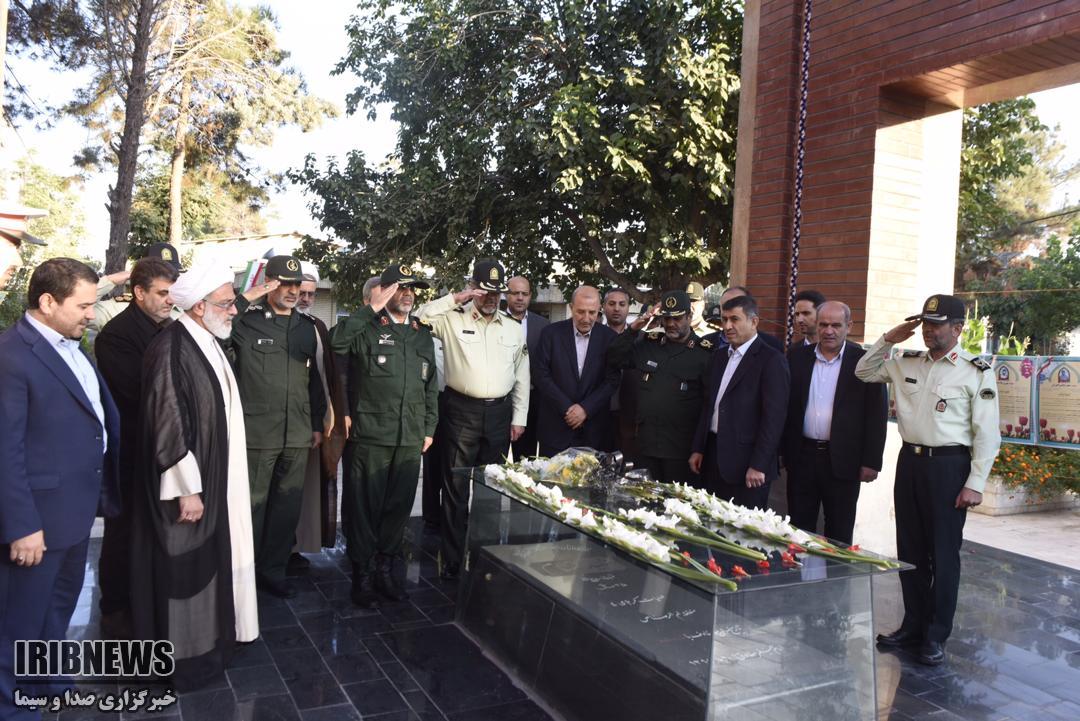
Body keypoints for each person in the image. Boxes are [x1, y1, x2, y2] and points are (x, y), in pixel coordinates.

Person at [0, 259, 120, 719]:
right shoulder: (11, 356)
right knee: (18, 623)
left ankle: (48, 682)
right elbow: (5, 451)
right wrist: (22, 526)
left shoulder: (70, 343)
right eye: (83, 306)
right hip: (36, 523)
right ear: (48, 302)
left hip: (73, 512)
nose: (91, 314)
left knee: (57, 609)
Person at [131, 264, 258, 691]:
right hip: (191, 489)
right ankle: (186, 660)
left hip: (217, 478)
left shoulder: (205, 340)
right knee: (186, 567)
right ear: (200, 307)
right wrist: (187, 489)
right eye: (227, 303)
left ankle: (217, 641)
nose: (235, 310)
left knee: (214, 561)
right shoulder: (171, 346)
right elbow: (167, 419)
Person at [855, 294, 1000, 666]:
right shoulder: (906, 361)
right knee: (911, 550)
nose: (929, 331)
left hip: (949, 467)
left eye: (937, 325)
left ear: (958, 328)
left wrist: (976, 482)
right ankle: (912, 626)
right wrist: (889, 338)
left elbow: (987, 433)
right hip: (910, 463)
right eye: (926, 324)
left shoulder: (976, 371)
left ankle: (935, 635)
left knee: (944, 554)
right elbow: (864, 371)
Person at [332, 264, 438, 606]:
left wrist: (429, 427)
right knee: (364, 507)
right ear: (385, 291)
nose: (407, 294)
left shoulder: (421, 333)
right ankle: (361, 575)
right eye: (400, 288)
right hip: (371, 434)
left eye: (411, 289)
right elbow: (337, 342)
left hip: (409, 435)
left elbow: (430, 385)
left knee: (397, 508)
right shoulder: (365, 327)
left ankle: (385, 570)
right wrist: (372, 308)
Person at [418, 259, 529, 578]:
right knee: (455, 488)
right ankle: (453, 560)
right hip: (460, 411)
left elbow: (522, 374)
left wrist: (519, 416)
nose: (492, 298)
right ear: (473, 288)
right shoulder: (452, 319)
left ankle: (483, 557)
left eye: (497, 292)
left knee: (490, 490)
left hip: (499, 414)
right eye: (485, 291)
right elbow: (419, 316)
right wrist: (457, 298)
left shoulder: (512, 327)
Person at [231, 254, 326, 598]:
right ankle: (244, 571)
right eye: (284, 284)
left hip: (297, 431)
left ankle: (273, 570)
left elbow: (313, 381)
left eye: (296, 284)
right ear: (268, 284)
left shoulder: (305, 327)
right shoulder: (246, 322)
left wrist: (316, 423)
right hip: (258, 432)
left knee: (287, 507)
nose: (292, 290)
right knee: (252, 507)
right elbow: (215, 325)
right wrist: (248, 297)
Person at [94, 257, 179, 639]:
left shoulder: (171, 329)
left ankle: (147, 600)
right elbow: (140, 394)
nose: (169, 300)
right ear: (139, 292)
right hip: (131, 454)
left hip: (162, 451)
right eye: (162, 293)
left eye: (173, 293)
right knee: (123, 535)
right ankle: (114, 611)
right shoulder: (116, 335)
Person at [781, 301, 887, 544]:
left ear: (849, 326)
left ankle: (836, 571)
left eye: (836, 325)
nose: (829, 331)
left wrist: (871, 462)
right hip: (802, 456)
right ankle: (799, 568)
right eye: (823, 325)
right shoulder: (797, 357)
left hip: (843, 461)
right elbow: (787, 407)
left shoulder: (863, 361)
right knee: (799, 529)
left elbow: (876, 415)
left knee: (839, 530)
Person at [690, 294, 789, 509]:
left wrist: (759, 464)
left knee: (742, 526)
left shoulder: (771, 360)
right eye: (724, 319)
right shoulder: (719, 357)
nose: (727, 326)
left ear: (754, 322)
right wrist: (699, 448)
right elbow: (709, 406)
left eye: (734, 319)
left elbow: (773, 419)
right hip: (713, 456)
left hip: (748, 465)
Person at [608, 290, 714, 484]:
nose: (671, 324)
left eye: (677, 318)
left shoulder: (705, 354)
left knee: (676, 501)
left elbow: (709, 407)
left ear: (689, 317)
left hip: (681, 451)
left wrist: (699, 448)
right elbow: (614, 358)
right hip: (646, 446)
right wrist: (633, 329)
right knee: (644, 499)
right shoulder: (650, 344)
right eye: (666, 318)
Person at [291, 270, 348, 570]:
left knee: (308, 491)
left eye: (311, 294)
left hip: (315, 422)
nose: (305, 299)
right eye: (301, 292)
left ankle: (297, 548)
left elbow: (327, 376)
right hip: (285, 423)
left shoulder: (318, 326)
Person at [533, 286, 618, 455]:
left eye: (592, 312)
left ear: (599, 309)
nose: (586, 318)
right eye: (580, 312)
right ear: (571, 307)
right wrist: (568, 408)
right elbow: (540, 375)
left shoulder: (609, 338)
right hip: (555, 429)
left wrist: (585, 409)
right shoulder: (550, 334)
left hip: (594, 431)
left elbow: (612, 380)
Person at [90, 243, 184, 333]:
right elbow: (81, 311)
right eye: (160, 274)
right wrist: (110, 280)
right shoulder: (115, 309)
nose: (169, 280)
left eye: (173, 275)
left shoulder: (183, 309)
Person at [505, 276, 549, 460]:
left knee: (526, 459)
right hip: (500, 399)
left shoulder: (543, 326)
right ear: (506, 295)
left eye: (524, 293)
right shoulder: (495, 321)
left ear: (530, 296)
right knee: (495, 458)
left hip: (533, 399)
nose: (520, 298)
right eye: (515, 293)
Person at [602, 288, 637, 457]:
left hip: (629, 419)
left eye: (622, 304)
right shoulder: (594, 335)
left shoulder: (640, 339)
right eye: (612, 304)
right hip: (599, 414)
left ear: (628, 307)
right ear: (603, 306)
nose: (616, 308)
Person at [702, 286, 785, 353]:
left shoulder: (772, 346)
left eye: (736, 304)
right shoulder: (704, 343)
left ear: (754, 321)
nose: (729, 308)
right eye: (725, 306)